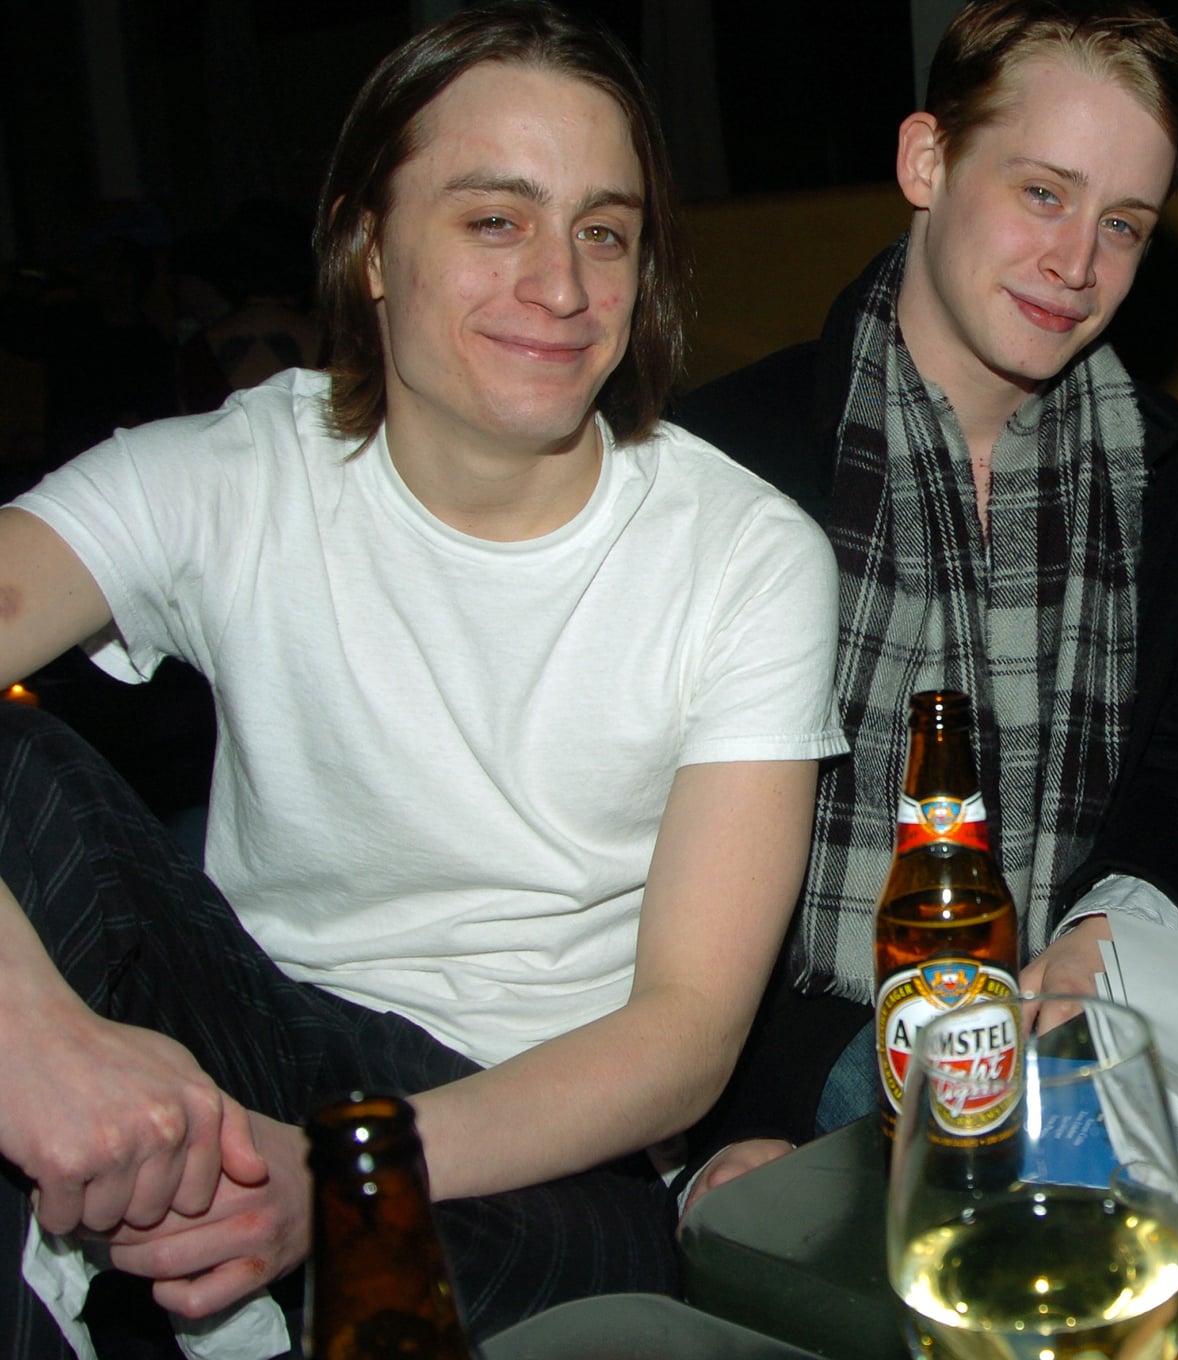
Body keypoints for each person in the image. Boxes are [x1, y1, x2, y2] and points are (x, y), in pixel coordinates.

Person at [0, 3, 844, 1353]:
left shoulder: (743, 557)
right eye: (494, 220)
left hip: (545, 1147)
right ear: (369, 246)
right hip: (252, 1049)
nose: (563, 288)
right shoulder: (234, 478)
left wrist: (345, 1175)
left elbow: (685, 1032)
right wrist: (31, 1033)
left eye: (605, 231)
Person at [673, 0, 1178, 1189]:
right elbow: (629, 847)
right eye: (1042, 193)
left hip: (1073, 1004)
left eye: (1124, 224)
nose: (1077, 264)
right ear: (925, 160)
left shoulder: (1168, 467)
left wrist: (1119, 922)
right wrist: (714, 1132)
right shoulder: (723, 455)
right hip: (825, 1047)